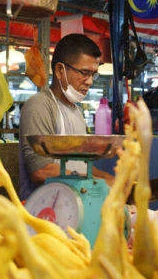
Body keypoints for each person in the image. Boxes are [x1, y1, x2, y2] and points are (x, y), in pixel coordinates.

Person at [19, 33, 114, 200]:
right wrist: (99, 183)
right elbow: (42, 171)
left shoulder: (77, 111)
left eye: (93, 74)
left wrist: (110, 179)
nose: (90, 81)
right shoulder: (40, 106)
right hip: (44, 211)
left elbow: (81, 166)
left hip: (75, 205)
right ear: (59, 70)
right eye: (84, 72)